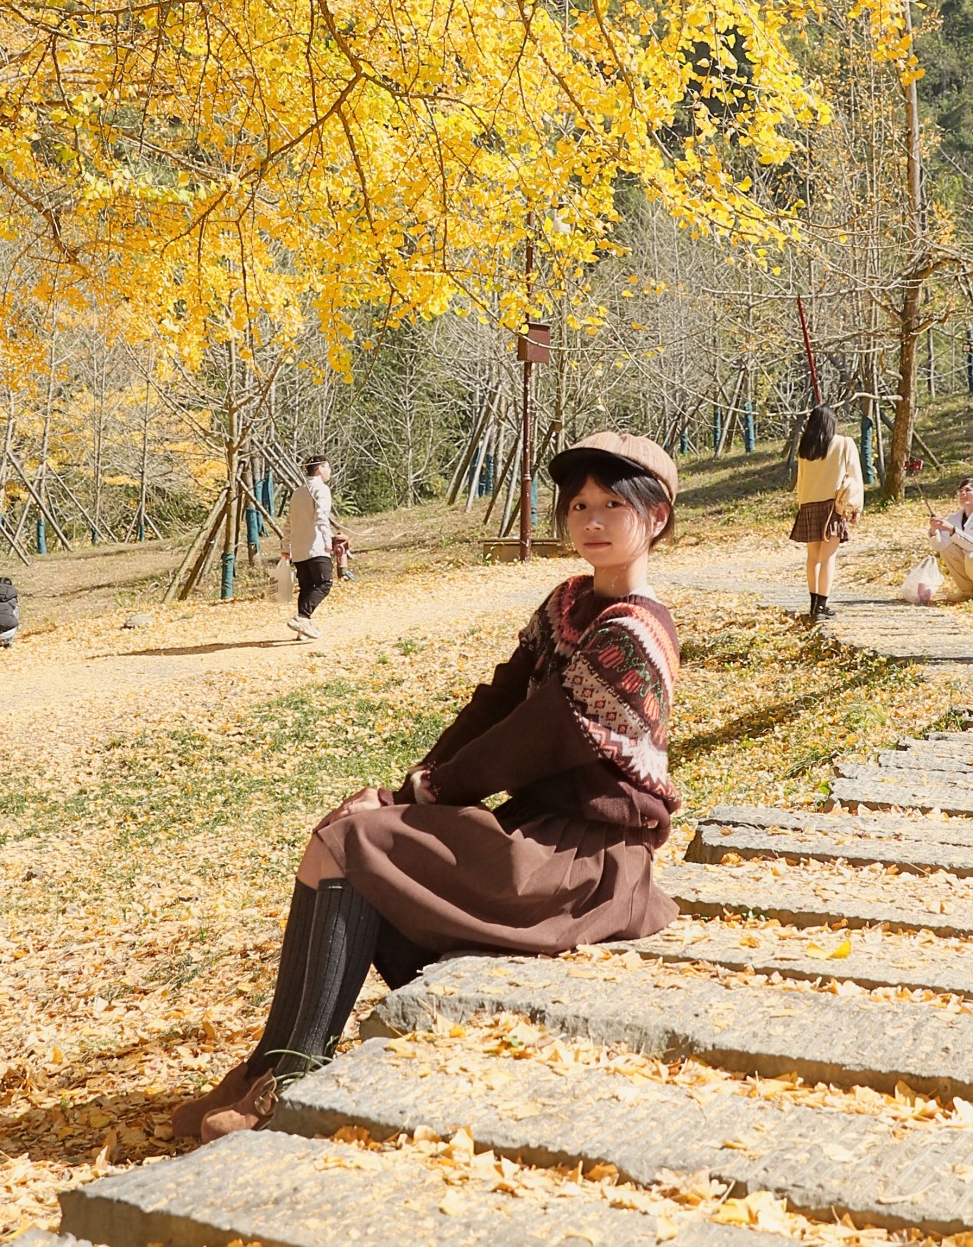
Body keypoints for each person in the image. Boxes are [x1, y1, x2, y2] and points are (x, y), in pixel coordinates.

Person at [174, 429, 681, 1142]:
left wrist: (420, 796)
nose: (590, 522)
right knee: (344, 834)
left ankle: (290, 1074)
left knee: (355, 842)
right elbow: (496, 704)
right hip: (537, 836)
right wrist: (410, 784)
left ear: (655, 516)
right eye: (578, 506)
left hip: (587, 861)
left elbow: (536, 735)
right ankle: (273, 1061)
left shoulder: (635, 631)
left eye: (611, 506)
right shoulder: (566, 602)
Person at [791, 405, 864, 621]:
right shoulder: (844, 444)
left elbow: (801, 482)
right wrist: (856, 508)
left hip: (808, 506)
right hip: (833, 506)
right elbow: (856, 477)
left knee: (812, 558)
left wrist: (802, 506)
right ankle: (822, 605)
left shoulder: (805, 450)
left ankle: (814, 604)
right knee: (828, 557)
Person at [285, 457, 347, 641]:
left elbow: (289, 522)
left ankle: (303, 627)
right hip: (316, 546)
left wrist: (285, 546)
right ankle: (302, 617)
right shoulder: (321, 489)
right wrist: (328, 540)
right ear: (320, 468)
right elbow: (321, 516)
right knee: (324, 583)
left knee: (307, 587)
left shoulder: (297, 492)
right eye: (328, 467)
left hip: (298, 548)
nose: (330, 471)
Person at [929, 478, 973, 601]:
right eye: (961, 491)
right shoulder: (955, 518)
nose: (962, 493)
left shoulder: (952, 524)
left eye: (968, 490)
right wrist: (934, 530)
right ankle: (968, 592)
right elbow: (939, 546)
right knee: (947, 550)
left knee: (971, 556)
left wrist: (952, 530)